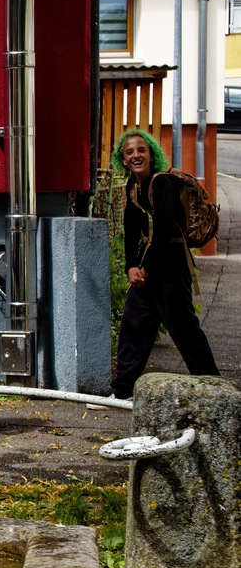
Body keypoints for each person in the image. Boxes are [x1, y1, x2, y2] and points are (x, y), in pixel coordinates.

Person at [110, 128, 219, 400]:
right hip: (147, 268)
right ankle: (122, 392)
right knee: (133, 327)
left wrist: (144, 269)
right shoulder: (133, 186)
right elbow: (131, 230)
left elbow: (162, 231)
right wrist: (130, 267)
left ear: (151, 155)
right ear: (123, 160)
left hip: (171, 267)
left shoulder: (162, 184)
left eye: (141, 150)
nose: (136, 155)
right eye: (130, 152)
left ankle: (214, 388)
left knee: (184, 329)